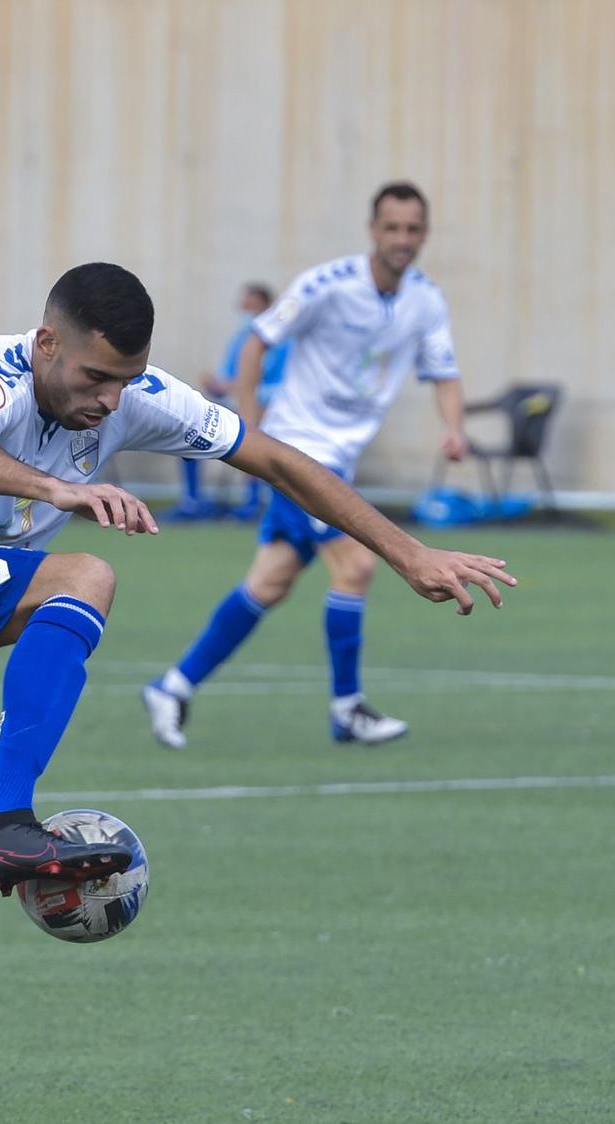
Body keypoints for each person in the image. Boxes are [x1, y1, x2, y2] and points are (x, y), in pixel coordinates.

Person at [0, 260, 514, 1031]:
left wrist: (408, 553)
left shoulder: (136, 396)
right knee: (81, 577)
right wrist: (60, 487)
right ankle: (5, 817)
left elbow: (281, 463)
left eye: (127, 380)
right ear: (45, 344)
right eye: (96, 375)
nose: (111, 400)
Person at [143, 183, 472, 748]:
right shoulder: (327, 285)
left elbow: (444, 372)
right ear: (372, 230)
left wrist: (454, 428)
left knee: (269, 583)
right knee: (358, 567)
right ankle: (347, 708)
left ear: (424, 234)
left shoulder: (426, 300)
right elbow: (256, 342)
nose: (402, 239)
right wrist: (248, 434)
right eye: (391, 228)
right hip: (301, 453)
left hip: (340, 456)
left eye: (413, 229)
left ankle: (173, 685)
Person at [173, 282, 288, 520]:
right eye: (243, 306)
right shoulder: (240, 340)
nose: (246, 313)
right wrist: (216, 386)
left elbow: (282, 387)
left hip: (269, 411)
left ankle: (253, 502)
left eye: (252, 307)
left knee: (254, 428)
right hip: (236, 409)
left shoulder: (283, 343)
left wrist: (241, 389)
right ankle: (193, 501)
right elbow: (227, 383)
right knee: (190, 427)